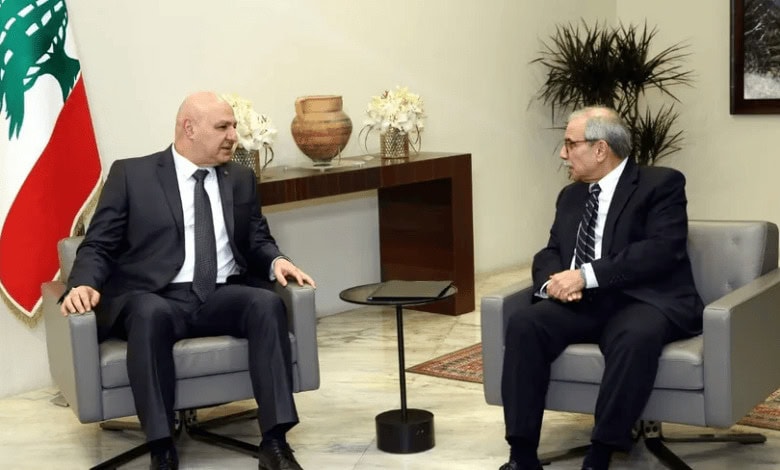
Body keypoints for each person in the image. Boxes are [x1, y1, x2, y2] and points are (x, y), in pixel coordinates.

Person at [60, 91, 315, 470]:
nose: (233, 136)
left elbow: (256, 238)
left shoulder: (240, 178)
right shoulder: (132, 175)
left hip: (220, 294)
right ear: (189, 128)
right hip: (156, 295)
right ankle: (162, 449)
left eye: (234, 126)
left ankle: (275, 443)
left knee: (266, 304)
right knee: (149, 313)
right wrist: (83, 282)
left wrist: (277, 260)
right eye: (223, 127)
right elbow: (99, 244)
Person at [499, 106, 703, 470]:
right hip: (583, 302)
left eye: (569, 144)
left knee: (635, 335)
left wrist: (585, 275)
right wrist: (553, 282)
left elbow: (660, 250)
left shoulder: (661, 184)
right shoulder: (570, 196)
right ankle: (522, 454)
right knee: (524, 324)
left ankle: (601, 453)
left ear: (599, 149)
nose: (563, 154)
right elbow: (551, 251)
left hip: (643, 299)